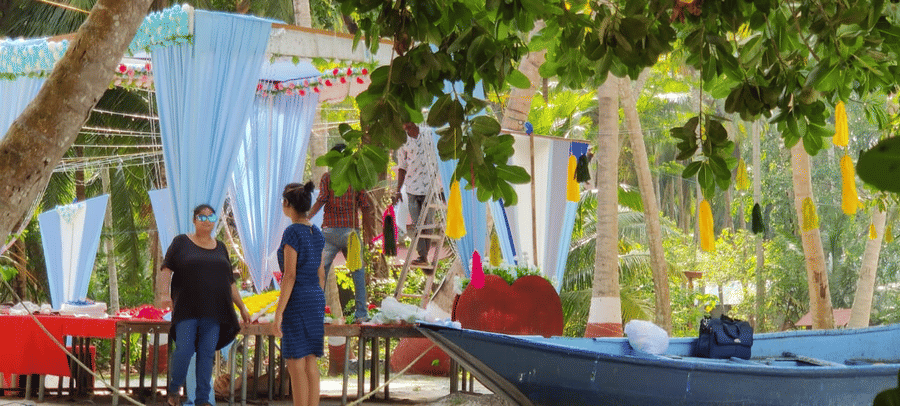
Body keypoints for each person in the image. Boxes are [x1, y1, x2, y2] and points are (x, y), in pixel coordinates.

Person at [157, 204, 251, 406]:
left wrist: (242, 307)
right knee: (184, 349)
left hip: (215, 310)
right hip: (186, 309)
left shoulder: (221, 247)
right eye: (202, 217)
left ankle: (201, 399)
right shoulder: (181, 242)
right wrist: (165, 294)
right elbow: (166, 270)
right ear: (194, 220)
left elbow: (230, 282)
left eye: (211, 217)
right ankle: (174, 389)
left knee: (207, 354)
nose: (207, 221)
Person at [272, 182, 326, 406]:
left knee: (295, 362)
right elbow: (321, 273)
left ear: (287, 204)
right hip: (315, 297)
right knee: (311, 360)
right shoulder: (317, 231)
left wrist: (278, 313)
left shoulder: (292, 232)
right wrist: (317, 299)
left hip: (298, 299)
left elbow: (290, 275)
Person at [308, 144, 371, 322]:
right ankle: (361, 314)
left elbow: (321, 200)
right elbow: (365, 207)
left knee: (320, 273)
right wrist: (368, 233)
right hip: (351, 233)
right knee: (357, 273)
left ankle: (316, 314)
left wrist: (307, 218)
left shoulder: (328, 178)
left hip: (329, 232)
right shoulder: (357, 178)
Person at [392, 123, 438, 271]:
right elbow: (402, 166)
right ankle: (422, 256)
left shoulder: (429, 133)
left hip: (430, 187)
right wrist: (398, 190)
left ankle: (423, 256)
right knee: (417, 224)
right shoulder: (402, 141)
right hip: (412, 187)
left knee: (428, 223)